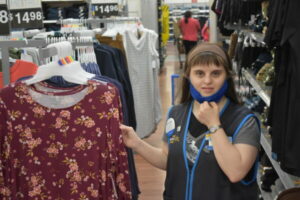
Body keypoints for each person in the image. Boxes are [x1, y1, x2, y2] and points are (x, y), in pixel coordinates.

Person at [120, 43, 261, 200]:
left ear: (227, 76)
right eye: (199, 73)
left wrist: (214, 125)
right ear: (188, 75)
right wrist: (137, 144)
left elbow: (236, 172)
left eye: (216, 73)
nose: (207, 81)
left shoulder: (244, 120)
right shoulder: (176, 113)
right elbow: (168, 160)